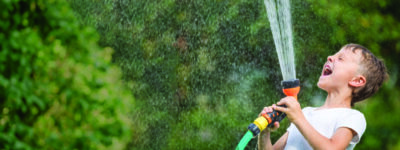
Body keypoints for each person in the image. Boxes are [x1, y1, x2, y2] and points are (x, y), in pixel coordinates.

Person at [257, 44, 388, 150]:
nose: (330, 57)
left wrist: (298, 118)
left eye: (341, 58)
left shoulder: (352, 117)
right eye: (334, 55)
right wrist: (264, 131)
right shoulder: (306, 113)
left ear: (357, 81)